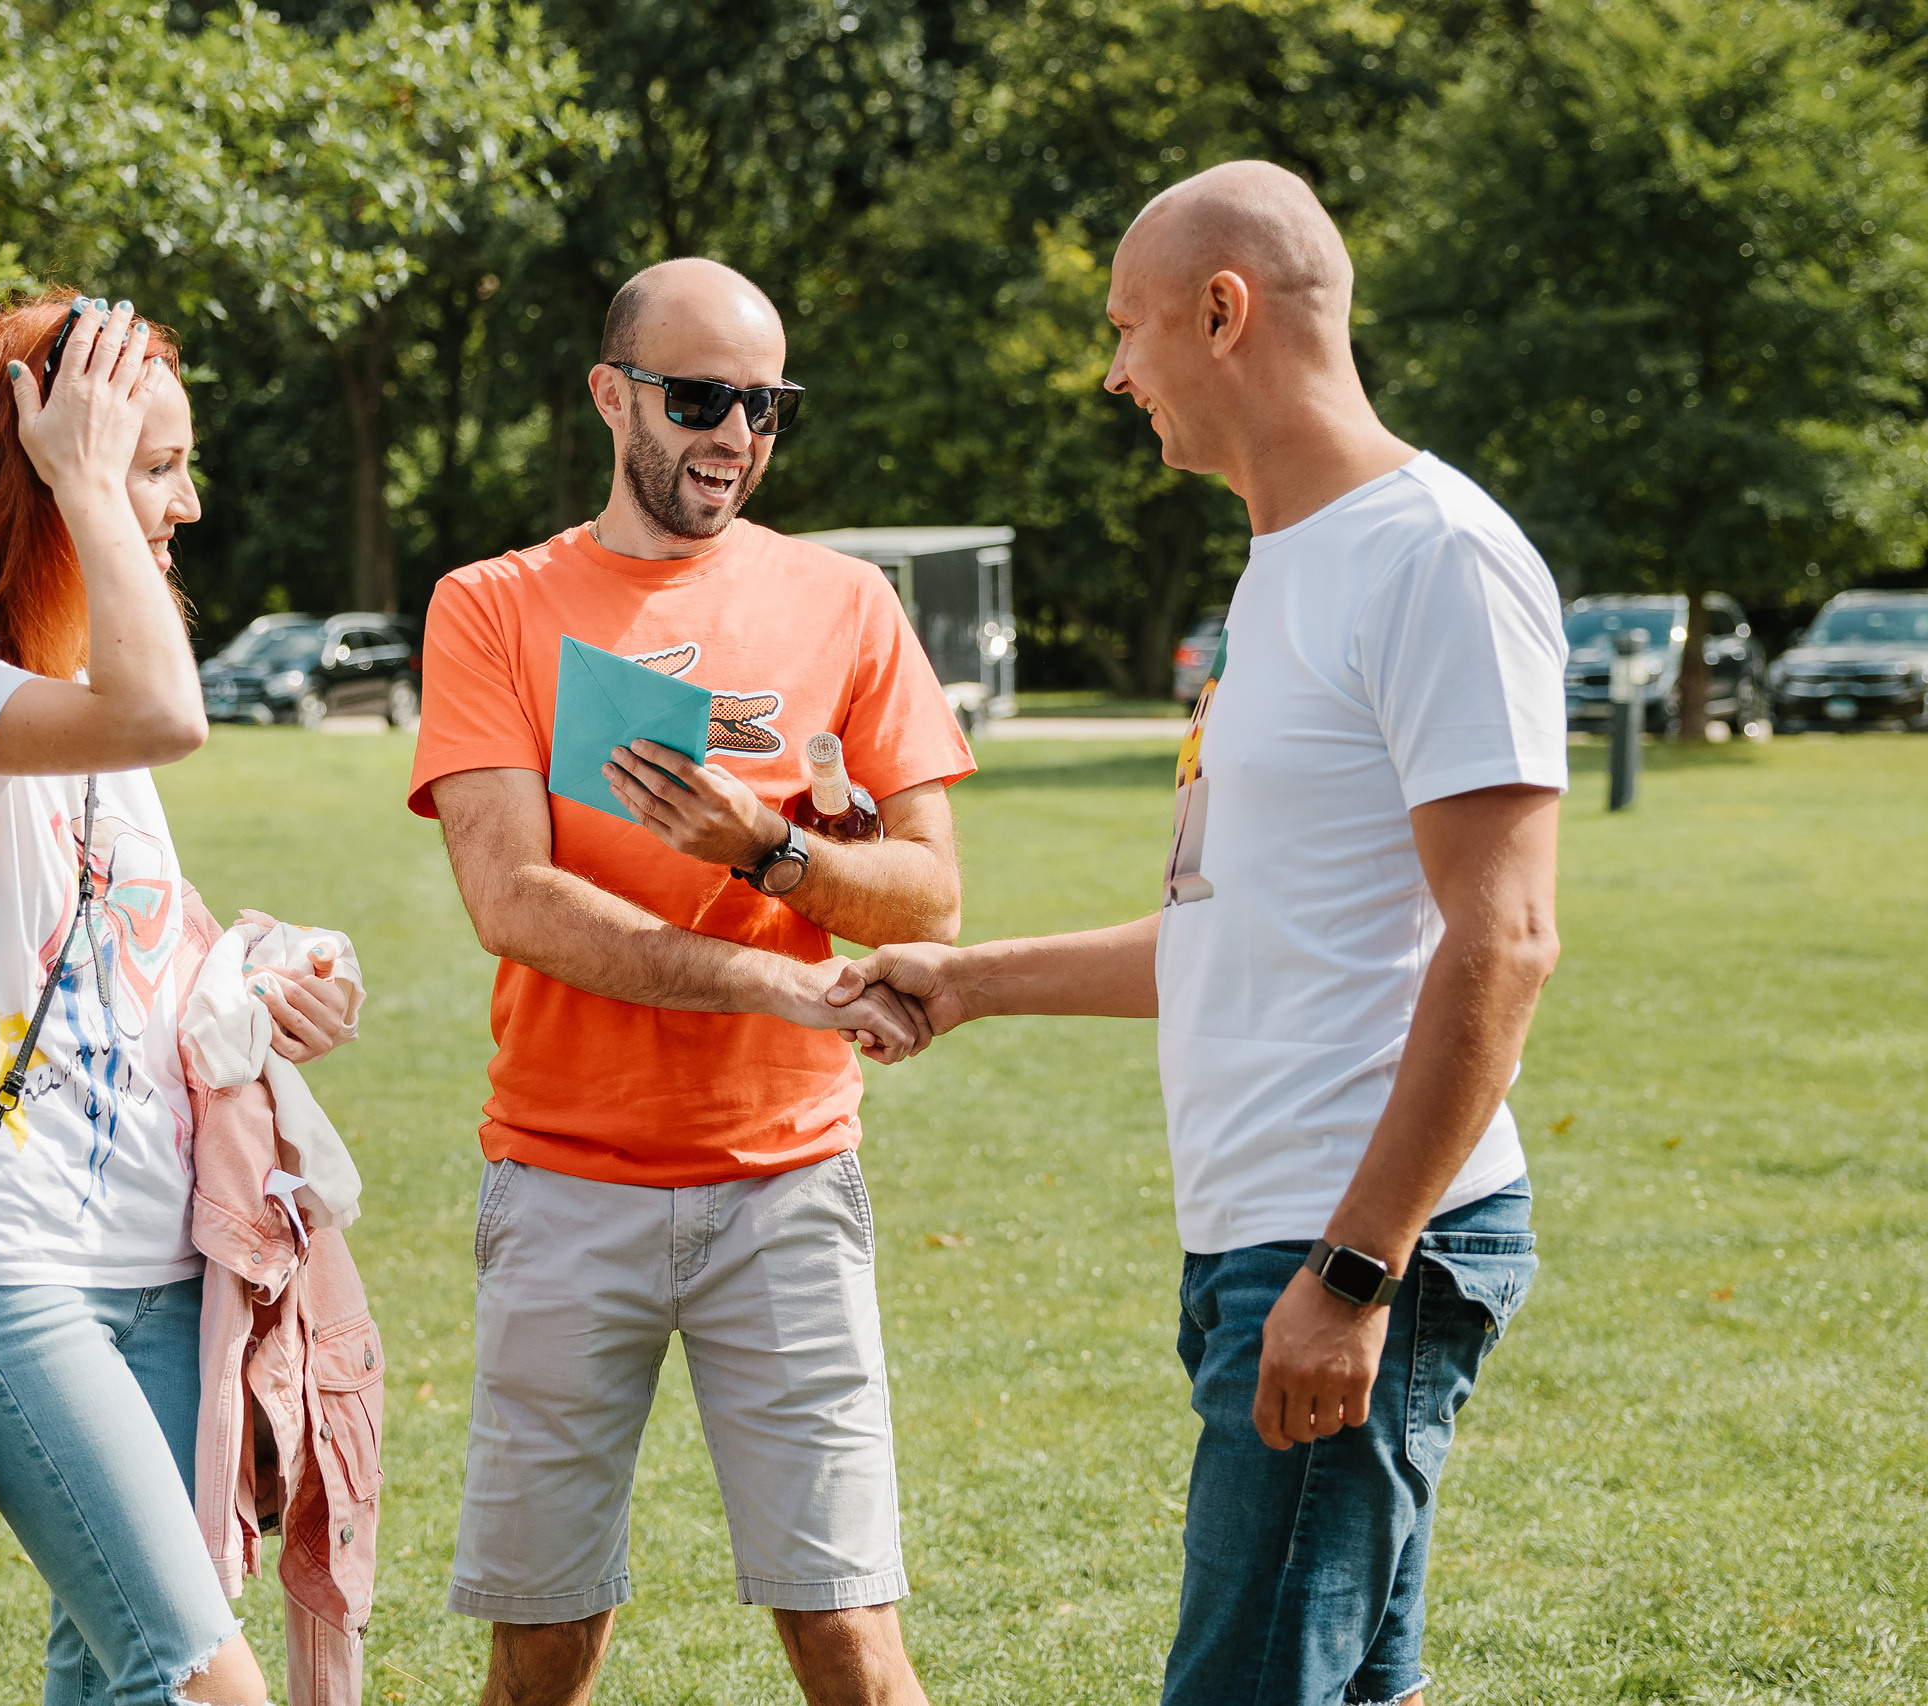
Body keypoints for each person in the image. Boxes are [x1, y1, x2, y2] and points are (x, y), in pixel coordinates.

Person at [835, 161, 1566, 1706]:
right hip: (1267, 1234)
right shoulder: (1284, 564)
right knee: (1367, 1686)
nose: (1116, 371)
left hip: (1349, 1236)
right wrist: (970, 980)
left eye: (1129, 327)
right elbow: (1235, 934)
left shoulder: (1434, 554)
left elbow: (1502, 941)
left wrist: (1356, 1271)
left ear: (1223, 312)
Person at [405, 257, 971, 1706]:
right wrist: (777, 984)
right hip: (563, 1182)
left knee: (847, 1633)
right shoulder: (492, 605)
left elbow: (930, 890)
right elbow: (512, 899)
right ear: (612, 395)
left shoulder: (843, 602)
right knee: (539, 1650)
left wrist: (769, 847)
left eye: (764, 406)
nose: (734, 435)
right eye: (703, 397)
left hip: (787, 1185)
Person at [0, 293, 361, 1706]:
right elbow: (167, 711)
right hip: (18, 1278)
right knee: (202, 1677)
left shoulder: (70, 693)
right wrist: (81, 479)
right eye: (152, 463)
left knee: (116, 1681)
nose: (183, 503)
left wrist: (277, 980)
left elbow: (147, 945)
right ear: (44, 466)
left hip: (164, 1262)